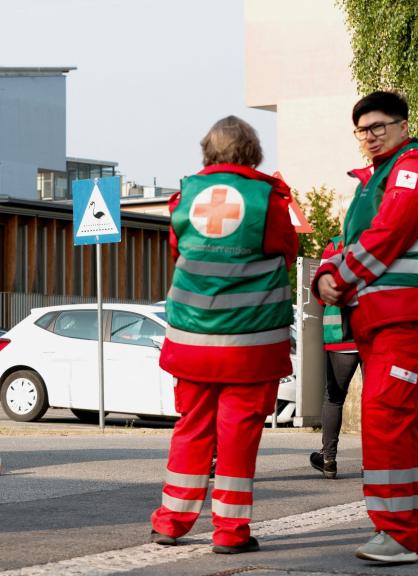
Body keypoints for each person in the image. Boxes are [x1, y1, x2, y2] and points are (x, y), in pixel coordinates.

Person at [314, 91, 418, 564]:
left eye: (380, 126)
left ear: (402, 126)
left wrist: (341, 274)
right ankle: (412, 531)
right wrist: (323, 275)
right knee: (395, 418)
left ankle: (399, 534)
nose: (371, 136)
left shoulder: (413, 167)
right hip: (384, 320)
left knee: (383, 414)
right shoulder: (373, 181)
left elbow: (392, 229)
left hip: (411, 317)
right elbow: (349, 241)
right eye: (363, 130)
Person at [149, 116, 297, 554]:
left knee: (191, 428)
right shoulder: (267, 199)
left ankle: (171, 523)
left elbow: (181, 250)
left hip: (192, 340)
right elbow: (287, 250)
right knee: (238, 436)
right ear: (253, 152)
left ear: (208, 152)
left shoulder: (185, 197)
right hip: (249, 345)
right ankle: (231, 534)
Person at [309, 234, 361, 480]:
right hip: (372, 333)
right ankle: (372, 463)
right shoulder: (380, 239)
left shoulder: (334, 245)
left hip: (339, 333)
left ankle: (328, 459)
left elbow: (321, 289)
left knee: (334, 397)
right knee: (372, 399)